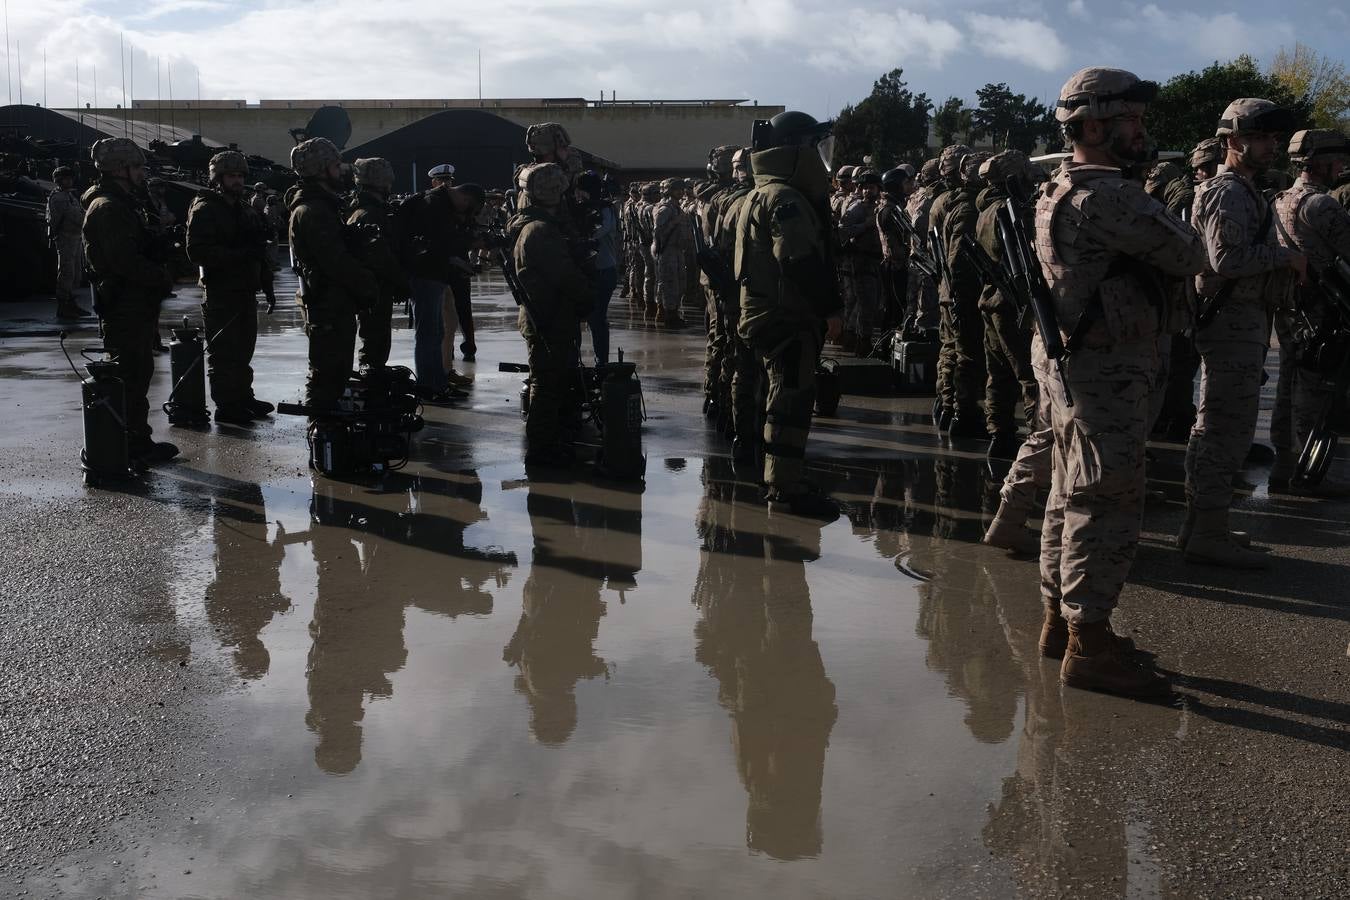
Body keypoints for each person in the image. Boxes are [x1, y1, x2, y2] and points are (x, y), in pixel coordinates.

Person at [1035, 67, 1206, 696]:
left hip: (1078, 364)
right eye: (1131, 120)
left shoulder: (1059, 188)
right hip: (1107, 369)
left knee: (1068, 493)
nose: (1142, 131)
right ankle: (1092, 641)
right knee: (1105, 501)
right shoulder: (1108, 196)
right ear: (1094, 126)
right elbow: (1190, 252)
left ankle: (1061, 621)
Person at [1183, 98, 1306, 568]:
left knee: (1218, 427)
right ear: (1233, 142)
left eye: (1274, 139)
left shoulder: (1245, 189)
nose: (1272, 146)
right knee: (1225, 430)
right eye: (1262, 138)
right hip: (1229, 322)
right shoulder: (1228, 191)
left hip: (1242, 322)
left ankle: (1203, 525)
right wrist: (1287, 258)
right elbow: (1226, 260)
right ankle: (1206, 532)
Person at [734, 110, 843, 518]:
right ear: (796, 149)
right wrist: (829, 308)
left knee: (778, 399)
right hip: (786, 316)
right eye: (814, 146)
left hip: (768, 313)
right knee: (790, 403)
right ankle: (784, 490)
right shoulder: (784, 198)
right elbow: (799, 261)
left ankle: (782, 476)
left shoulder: (764, 191)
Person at [81, 137, 179, 464]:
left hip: (134, 303)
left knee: (137, 374)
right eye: (136, 167)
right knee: (129, 376)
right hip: (124, 303)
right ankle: (127, 446)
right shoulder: (108, 207)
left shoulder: (125, 202)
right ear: (120, 169)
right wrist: (159, 277)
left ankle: (136, 440)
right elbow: (123, 260)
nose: (141, 173)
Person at [1270, 129, 1350, 492]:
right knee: (1314, 391)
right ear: (1319, 163)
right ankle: (1310, 471)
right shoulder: (1321, 205)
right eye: (1336, 159)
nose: (1342, 166)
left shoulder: (1281, 199)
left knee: (1289, 384)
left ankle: (1284, 464)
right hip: (1321, 311)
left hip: (1290, 308)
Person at [286, 137, 378, 417]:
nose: (342, 172)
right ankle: (323, 431)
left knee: (335, 372)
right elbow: (334, 261)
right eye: (336, 166)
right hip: (326, 302)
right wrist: (367, 284)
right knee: (327, 374)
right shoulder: (312, 211)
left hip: (334, 301)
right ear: (321, 169)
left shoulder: (323, 207)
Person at [509, 163, 594, 468]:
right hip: (549, 316)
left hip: (545, 314)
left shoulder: (530, 225)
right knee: (547, 386)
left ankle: (547, 443)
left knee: (549, 382)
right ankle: (542, 449)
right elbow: (564, 276)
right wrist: (587, 295)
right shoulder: (541, 231)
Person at [185, 150, 276, 425]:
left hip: (246, 289)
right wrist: (239, 254)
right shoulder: (205, 208)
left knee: (244, 348)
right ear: (218, 179)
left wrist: (267, 284)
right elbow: (196, 251)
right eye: (231, 176)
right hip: (221, 290)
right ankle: (226, 404)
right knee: (224, 351)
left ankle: (243, 396)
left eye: (240, 176)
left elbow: (257, 250)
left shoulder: (244, 208)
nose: (237, 181)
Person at [975, 150, 1038, 461]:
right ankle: (1039, 440)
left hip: (991, 301)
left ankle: (999, 434)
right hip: (1013, 304)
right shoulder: (1014, 211)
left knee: (998, 375)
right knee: (1030, 376)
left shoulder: (985, 211)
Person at [395, 179, 480, 400]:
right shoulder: (434, 205)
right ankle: (428, 386)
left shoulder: (437, 202)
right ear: (465, 198)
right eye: (467, 210)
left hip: (433, 274)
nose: (464, 216)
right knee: (428, 334)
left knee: (436, 332)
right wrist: (461, 251)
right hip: (425, 276)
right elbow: (436, 244)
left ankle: (438, 382)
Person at [934, 147, 991, 438]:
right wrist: (961, 295)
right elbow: (958, 260)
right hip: (961, 292)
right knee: (966, 354)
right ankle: (962, 411)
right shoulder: (969, 209)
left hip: (949, 289)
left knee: (951, 350)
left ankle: (948, 406)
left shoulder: (948, 202)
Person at [346, 157, 409, 372]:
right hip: (374, 285)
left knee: (375, 334)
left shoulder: (366, 210)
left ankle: (372, 370)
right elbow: (380, 256)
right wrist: (401, 280)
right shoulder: (370, 213)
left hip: (375, 284)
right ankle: (370, 373)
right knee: (375, 335)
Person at [838, 169, 885, 355]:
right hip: (861, 260)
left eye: (871, 188)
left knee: (870, 304)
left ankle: (858, 339)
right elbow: (844, 229)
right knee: (864, 303)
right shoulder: (857, 207)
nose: (867, 191)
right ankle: (858, 342)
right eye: (864, 188)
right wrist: (866, 225)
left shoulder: (879, 206)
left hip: (875, 261)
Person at [576, 171, 620, 365]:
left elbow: (597, 232)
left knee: (597, 319)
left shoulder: (605, 209)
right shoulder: (580, 208)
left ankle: (601, 362)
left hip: (602, 270)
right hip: (585, 271)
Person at [46, 165, 91, 319]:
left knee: (75, 274)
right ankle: (64, 306)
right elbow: (73, 217)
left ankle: (70, 303)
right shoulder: (58, 197)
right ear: (59, 180)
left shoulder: (69, 196)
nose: (69, 181)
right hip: (65, 237)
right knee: (66, 272)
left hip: (74, 236)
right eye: (66, 179)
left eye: (70, 178)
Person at [651, 177, 692, 328]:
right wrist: (675, 221)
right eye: (677, 189)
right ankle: (670, 316)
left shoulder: (677, 208)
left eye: (682, 189)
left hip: (677, 249)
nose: (681, 192)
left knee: (680, 283)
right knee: (670, 283)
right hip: (667, 250)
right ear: (669, 191)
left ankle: (673, 312)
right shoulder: (665, 209)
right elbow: (658, 232)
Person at [876, 165, 913, 331]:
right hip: (895, 264)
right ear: (896, 185)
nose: (909, 186)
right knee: (894, 306)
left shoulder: (894, 206)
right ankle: (886, 346)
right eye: (905, 182)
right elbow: (893, 242)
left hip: (894, 263)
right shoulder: (890, 210)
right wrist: (904, 256)